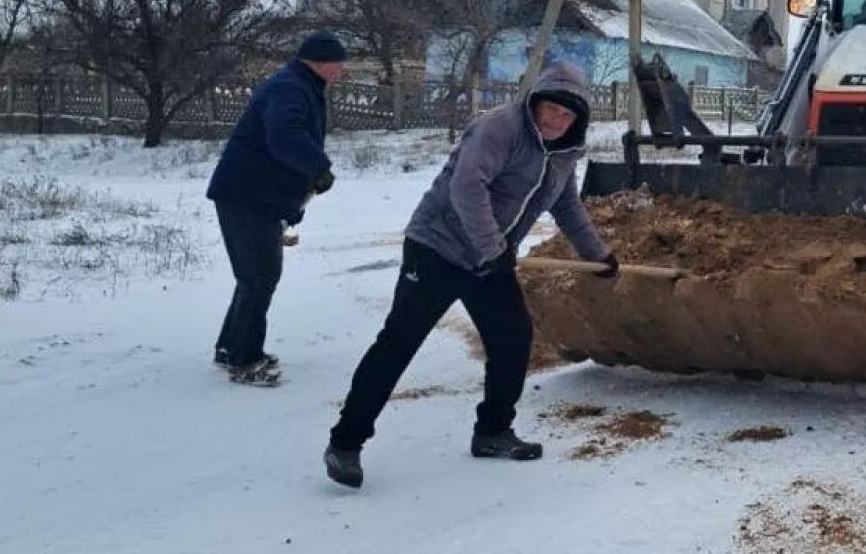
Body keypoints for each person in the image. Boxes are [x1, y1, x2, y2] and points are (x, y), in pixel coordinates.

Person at [323, 61, 619, 489]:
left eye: (567, 115)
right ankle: (345, 443)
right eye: (550, 109)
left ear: (579, 119)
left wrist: (598, 255)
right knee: (398, 343)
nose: (556, 120)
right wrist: (493, 249)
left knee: (513, 340)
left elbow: (566, 205)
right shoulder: (500, 128)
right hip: (437, 249)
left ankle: (494, 432)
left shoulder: (564, 151)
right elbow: (467, 187)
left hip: (488, 258)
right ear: (535, 102)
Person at [207, 30, 346, 385]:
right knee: (259, 276)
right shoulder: (289, 88)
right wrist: (318, 167)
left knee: (253, 276)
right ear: (319, 62)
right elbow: (284, 136)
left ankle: (230, 348)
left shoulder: (299, 86)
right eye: (337, 64)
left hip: (257, 195)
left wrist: (298, 194)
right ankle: (244, 361)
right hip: (247, 196)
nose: (341, 71)